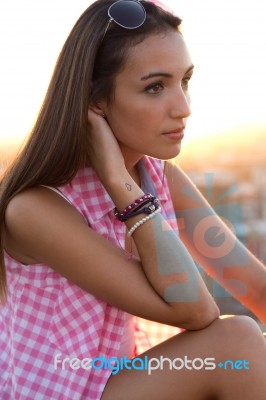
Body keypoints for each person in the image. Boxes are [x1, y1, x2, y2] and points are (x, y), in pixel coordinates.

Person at [0, 0, 266, 399]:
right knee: (236, 342)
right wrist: (119, 181)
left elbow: (256, 289)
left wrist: (127, 181)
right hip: (58, 391)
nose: (184, 108)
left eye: (185, 81)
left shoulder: (160, 177)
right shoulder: (35, 209)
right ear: (96, 101)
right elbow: (194, 311)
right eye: (155, 87)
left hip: (119, 385)